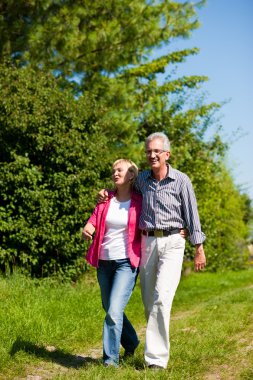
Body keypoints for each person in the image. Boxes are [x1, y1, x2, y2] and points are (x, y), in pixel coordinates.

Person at [99, 132, 206, 370]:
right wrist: (106, 193)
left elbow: (192, 214)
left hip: (173, 243)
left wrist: (198, 247)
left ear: (167, 154)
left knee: (161, 298)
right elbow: (122, 190)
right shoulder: (142, 180)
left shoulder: (181, 180)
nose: (152, 155)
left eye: (157, 151)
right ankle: (143, 345)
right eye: (148, 151)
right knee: (149, 301)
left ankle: (155, 360)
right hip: (146, 242)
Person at [82, 159, 142, 368]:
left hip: (126, 263)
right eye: (113, 170)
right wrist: (88, 229)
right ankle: (132, 341)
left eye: (120, 170)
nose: (115, 173)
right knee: (109, 307)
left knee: (114, 311)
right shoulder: (106, 199)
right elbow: (94, 219)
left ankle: (110, 362)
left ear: (131, 175)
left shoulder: (139, 201)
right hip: (104, 262)